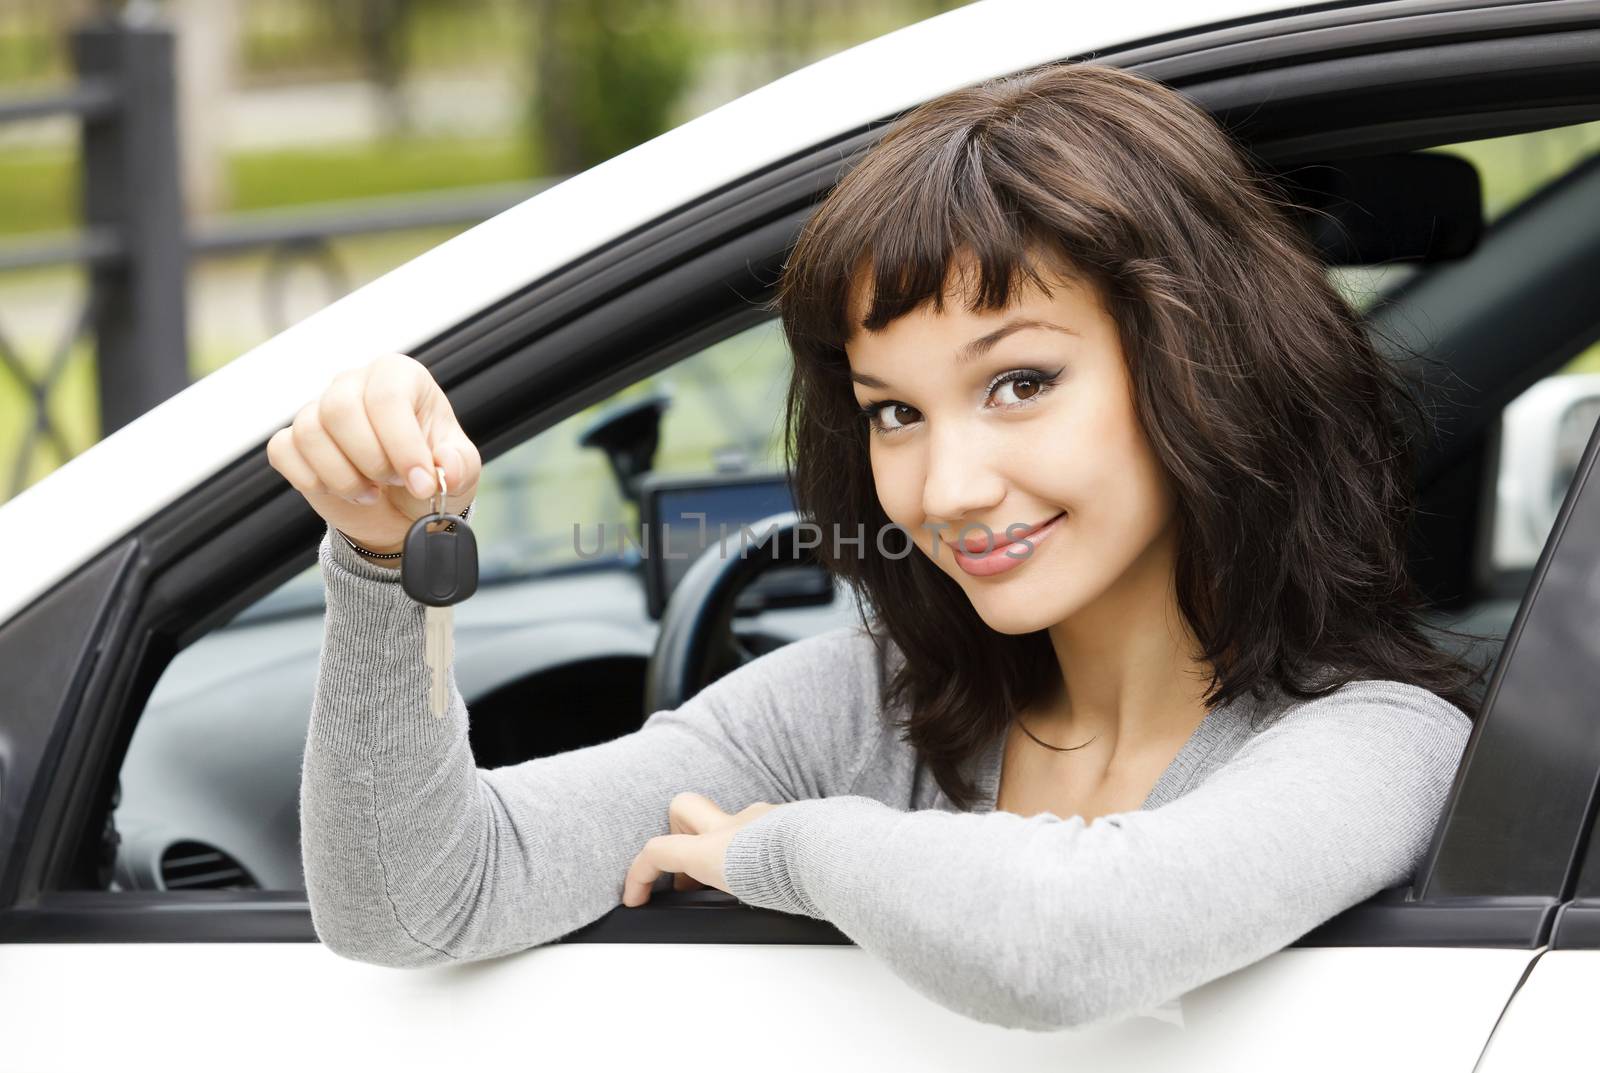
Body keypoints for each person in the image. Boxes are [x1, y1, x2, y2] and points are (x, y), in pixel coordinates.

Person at [270, 61, 1485, 1032]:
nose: (947, 485)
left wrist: (775, 848)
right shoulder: (868, 706)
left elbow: (1066, 942)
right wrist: (384, 567)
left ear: (1203, 366)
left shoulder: (1379, 740)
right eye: (893, 410)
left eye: (1019, 380)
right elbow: (418, 899)